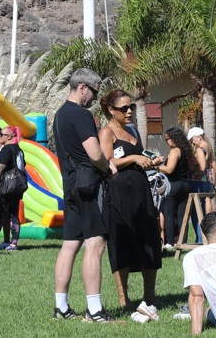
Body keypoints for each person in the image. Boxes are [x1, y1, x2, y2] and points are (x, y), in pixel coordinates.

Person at [51, 68, 118, 322]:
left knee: (70, 245)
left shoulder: (59, 115)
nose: (93, 99)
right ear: (82, 88)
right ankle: (95, 310)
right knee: (95, 244)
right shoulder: (80, 114)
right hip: (89, 186)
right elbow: (94, 153)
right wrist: (107, 167)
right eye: (93, 93)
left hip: (69, 185)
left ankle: (62, 307)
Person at [97, 90, 163, 309]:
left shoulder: (132, 130)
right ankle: (123, 298)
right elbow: (107, 162)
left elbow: (139, 156)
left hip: (141, 190)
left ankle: (150, 296)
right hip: (119, 192)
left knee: (149, 238)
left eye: (131, 107)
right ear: (111, 110)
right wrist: (134, 157)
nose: (129, 111)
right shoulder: (106, 132)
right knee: (122, 242)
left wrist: (151, 161)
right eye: (123, 108)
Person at [0, 126, 27, 251]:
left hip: (6, 186)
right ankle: (13, 243)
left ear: (9, 136)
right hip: (17, 186)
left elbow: (0, 167)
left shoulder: (7, 149)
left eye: (2, 135)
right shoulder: (19, 150)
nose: (0, 137)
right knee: (14, 214)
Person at [158, 127, 196, 250]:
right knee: (182, 215)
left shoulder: (175, 151)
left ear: (173, 138)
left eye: (167, 139)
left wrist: (156, 166)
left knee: (169, 214)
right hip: (185, 186)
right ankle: (182, 241)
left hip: (173, 185)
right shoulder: (185, 150)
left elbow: (169, 169)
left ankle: (169, 242)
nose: (166, 142)